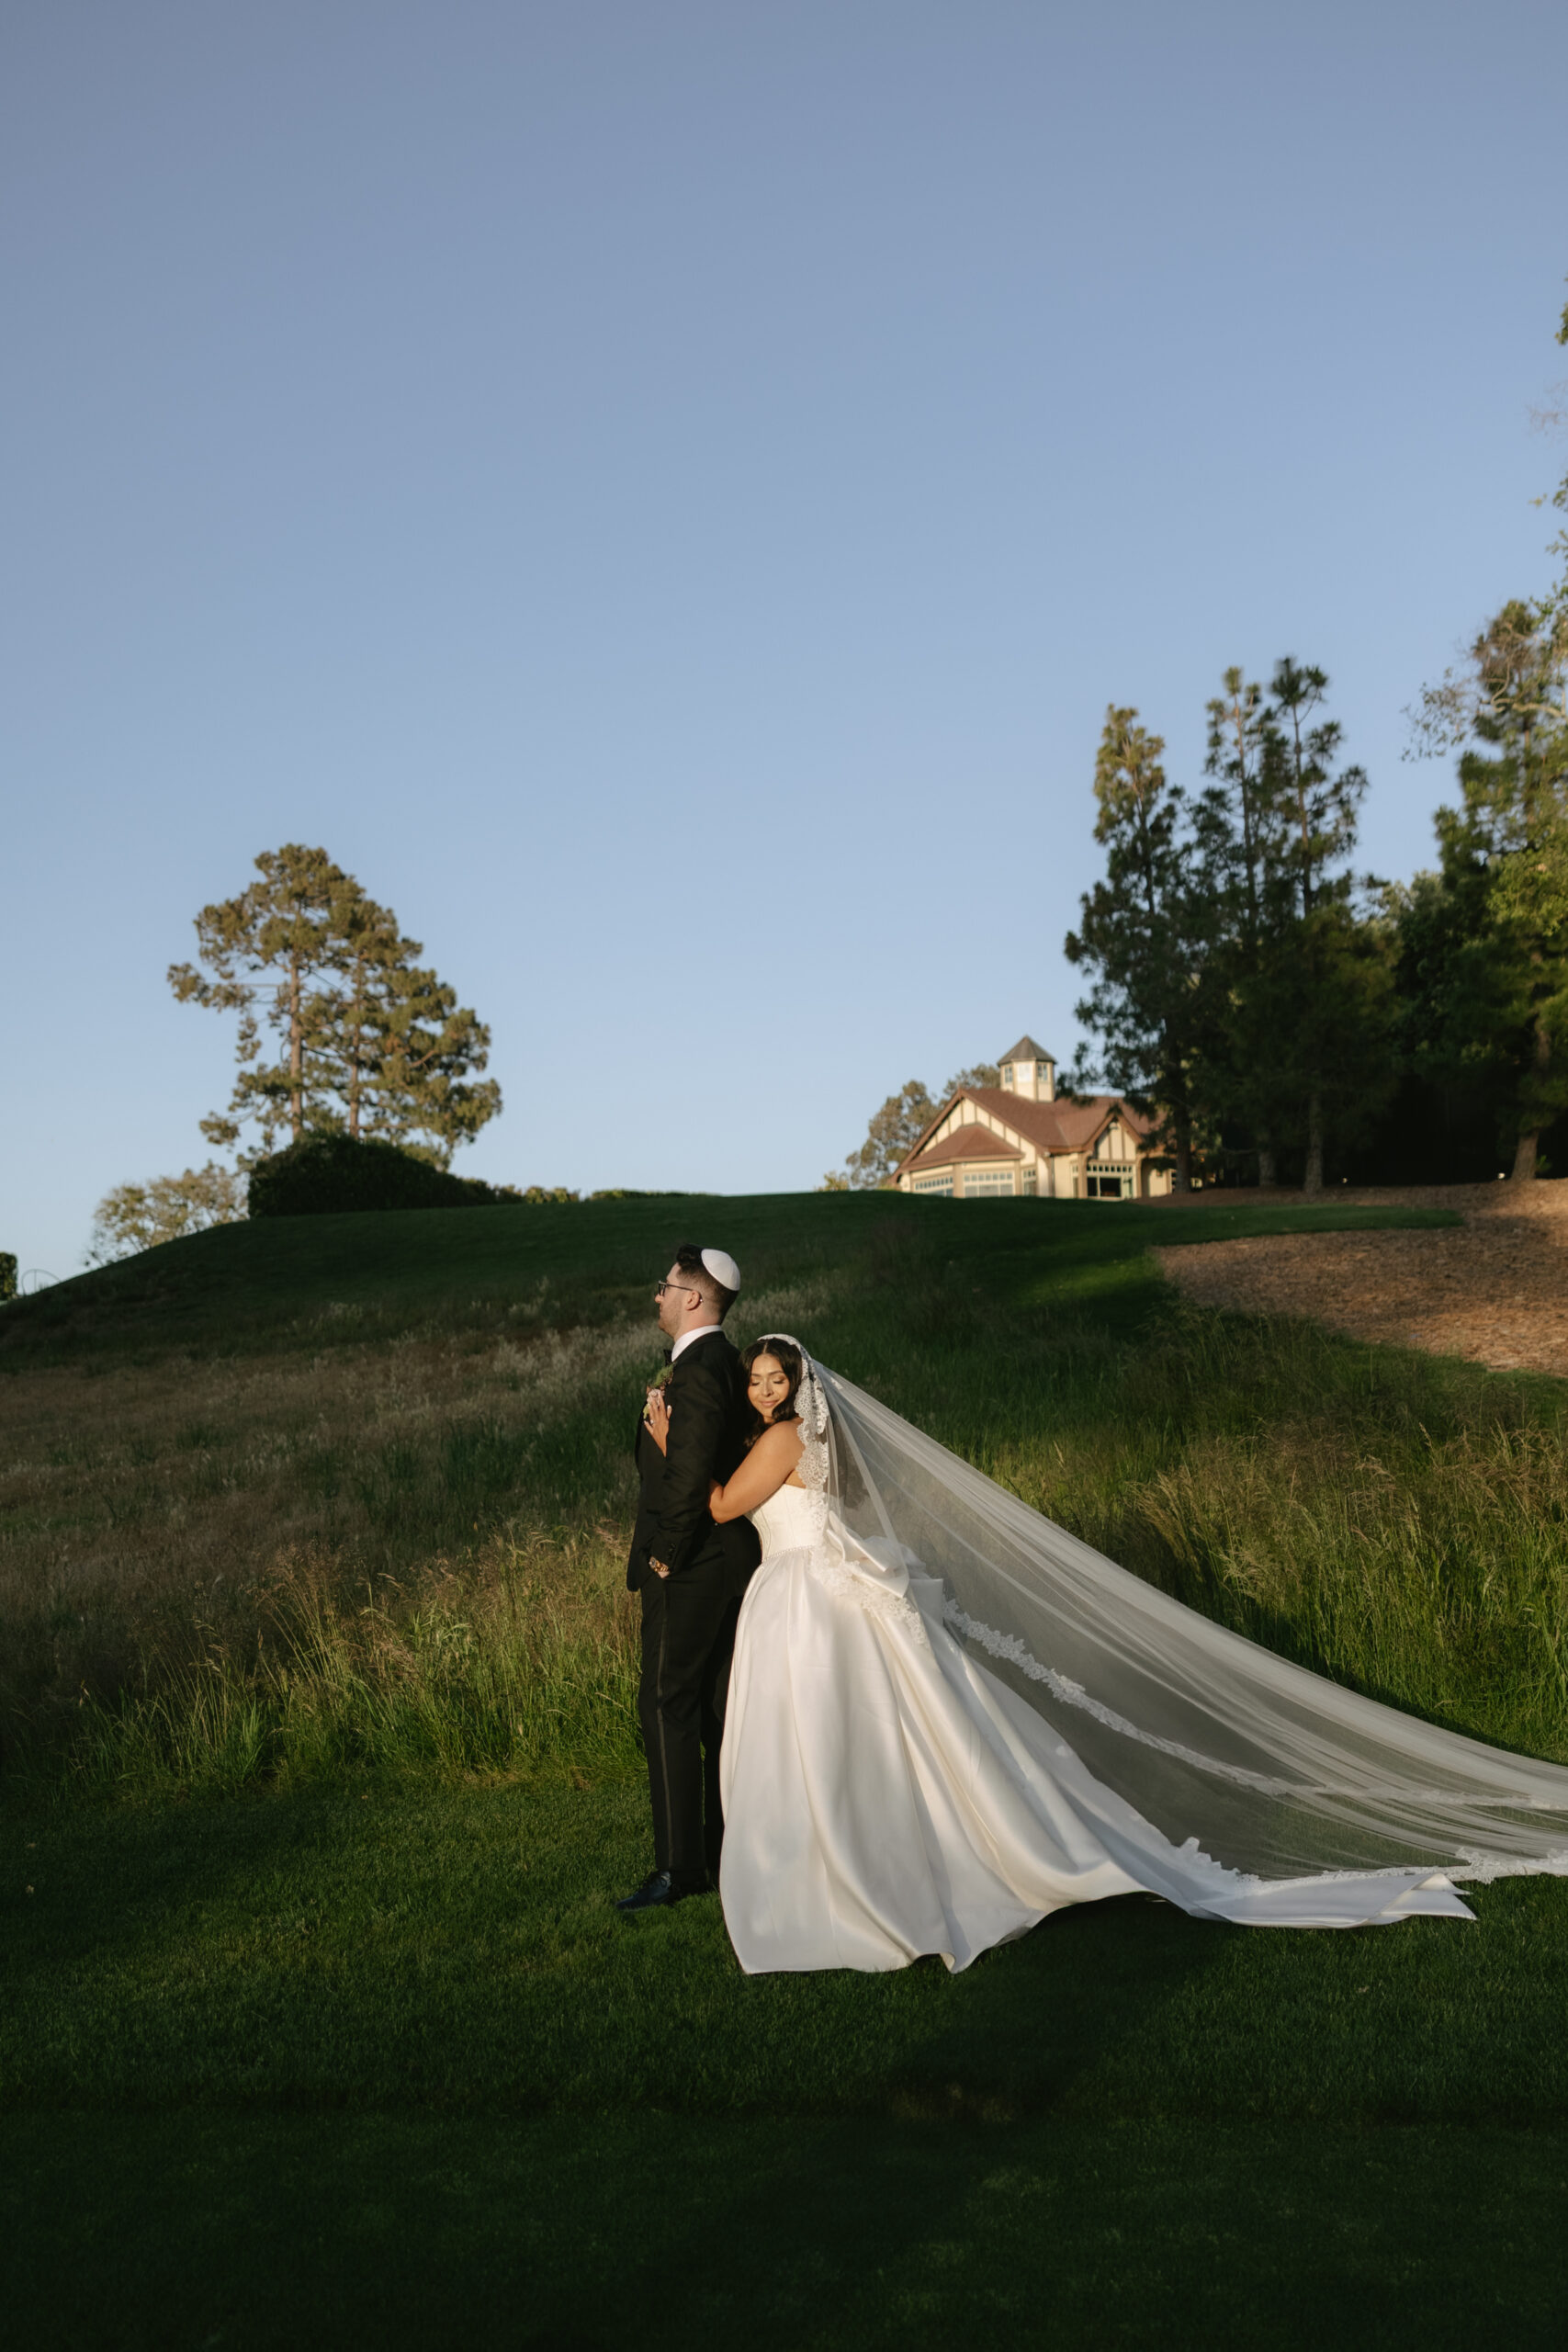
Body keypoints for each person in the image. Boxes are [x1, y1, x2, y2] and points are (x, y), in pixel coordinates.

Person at [649, 1333, 1568, 1973]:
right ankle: (865, 1852)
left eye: (775, 1377)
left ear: (798, 1385)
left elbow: (725, 1507)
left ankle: (838, 1875)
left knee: (816, 1739)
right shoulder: (802, 1439)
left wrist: (666, 1446)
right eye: (758, 1378)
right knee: (850, 1741)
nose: (765, 1387)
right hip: (815, 1594)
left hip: (806, 1599)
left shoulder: (776, 1441)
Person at [616, 1244, 760, 1915]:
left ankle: (679, 1870)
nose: (656, 1297)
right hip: (727, 1559)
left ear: (693, 1298)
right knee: (709, 1709)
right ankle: (723, 1847)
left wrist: (664, 1555)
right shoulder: (723, 1364)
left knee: (668, 1704)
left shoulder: (700, 1370)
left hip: (694, 1564)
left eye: (663, 1286)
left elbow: (689, 1470)